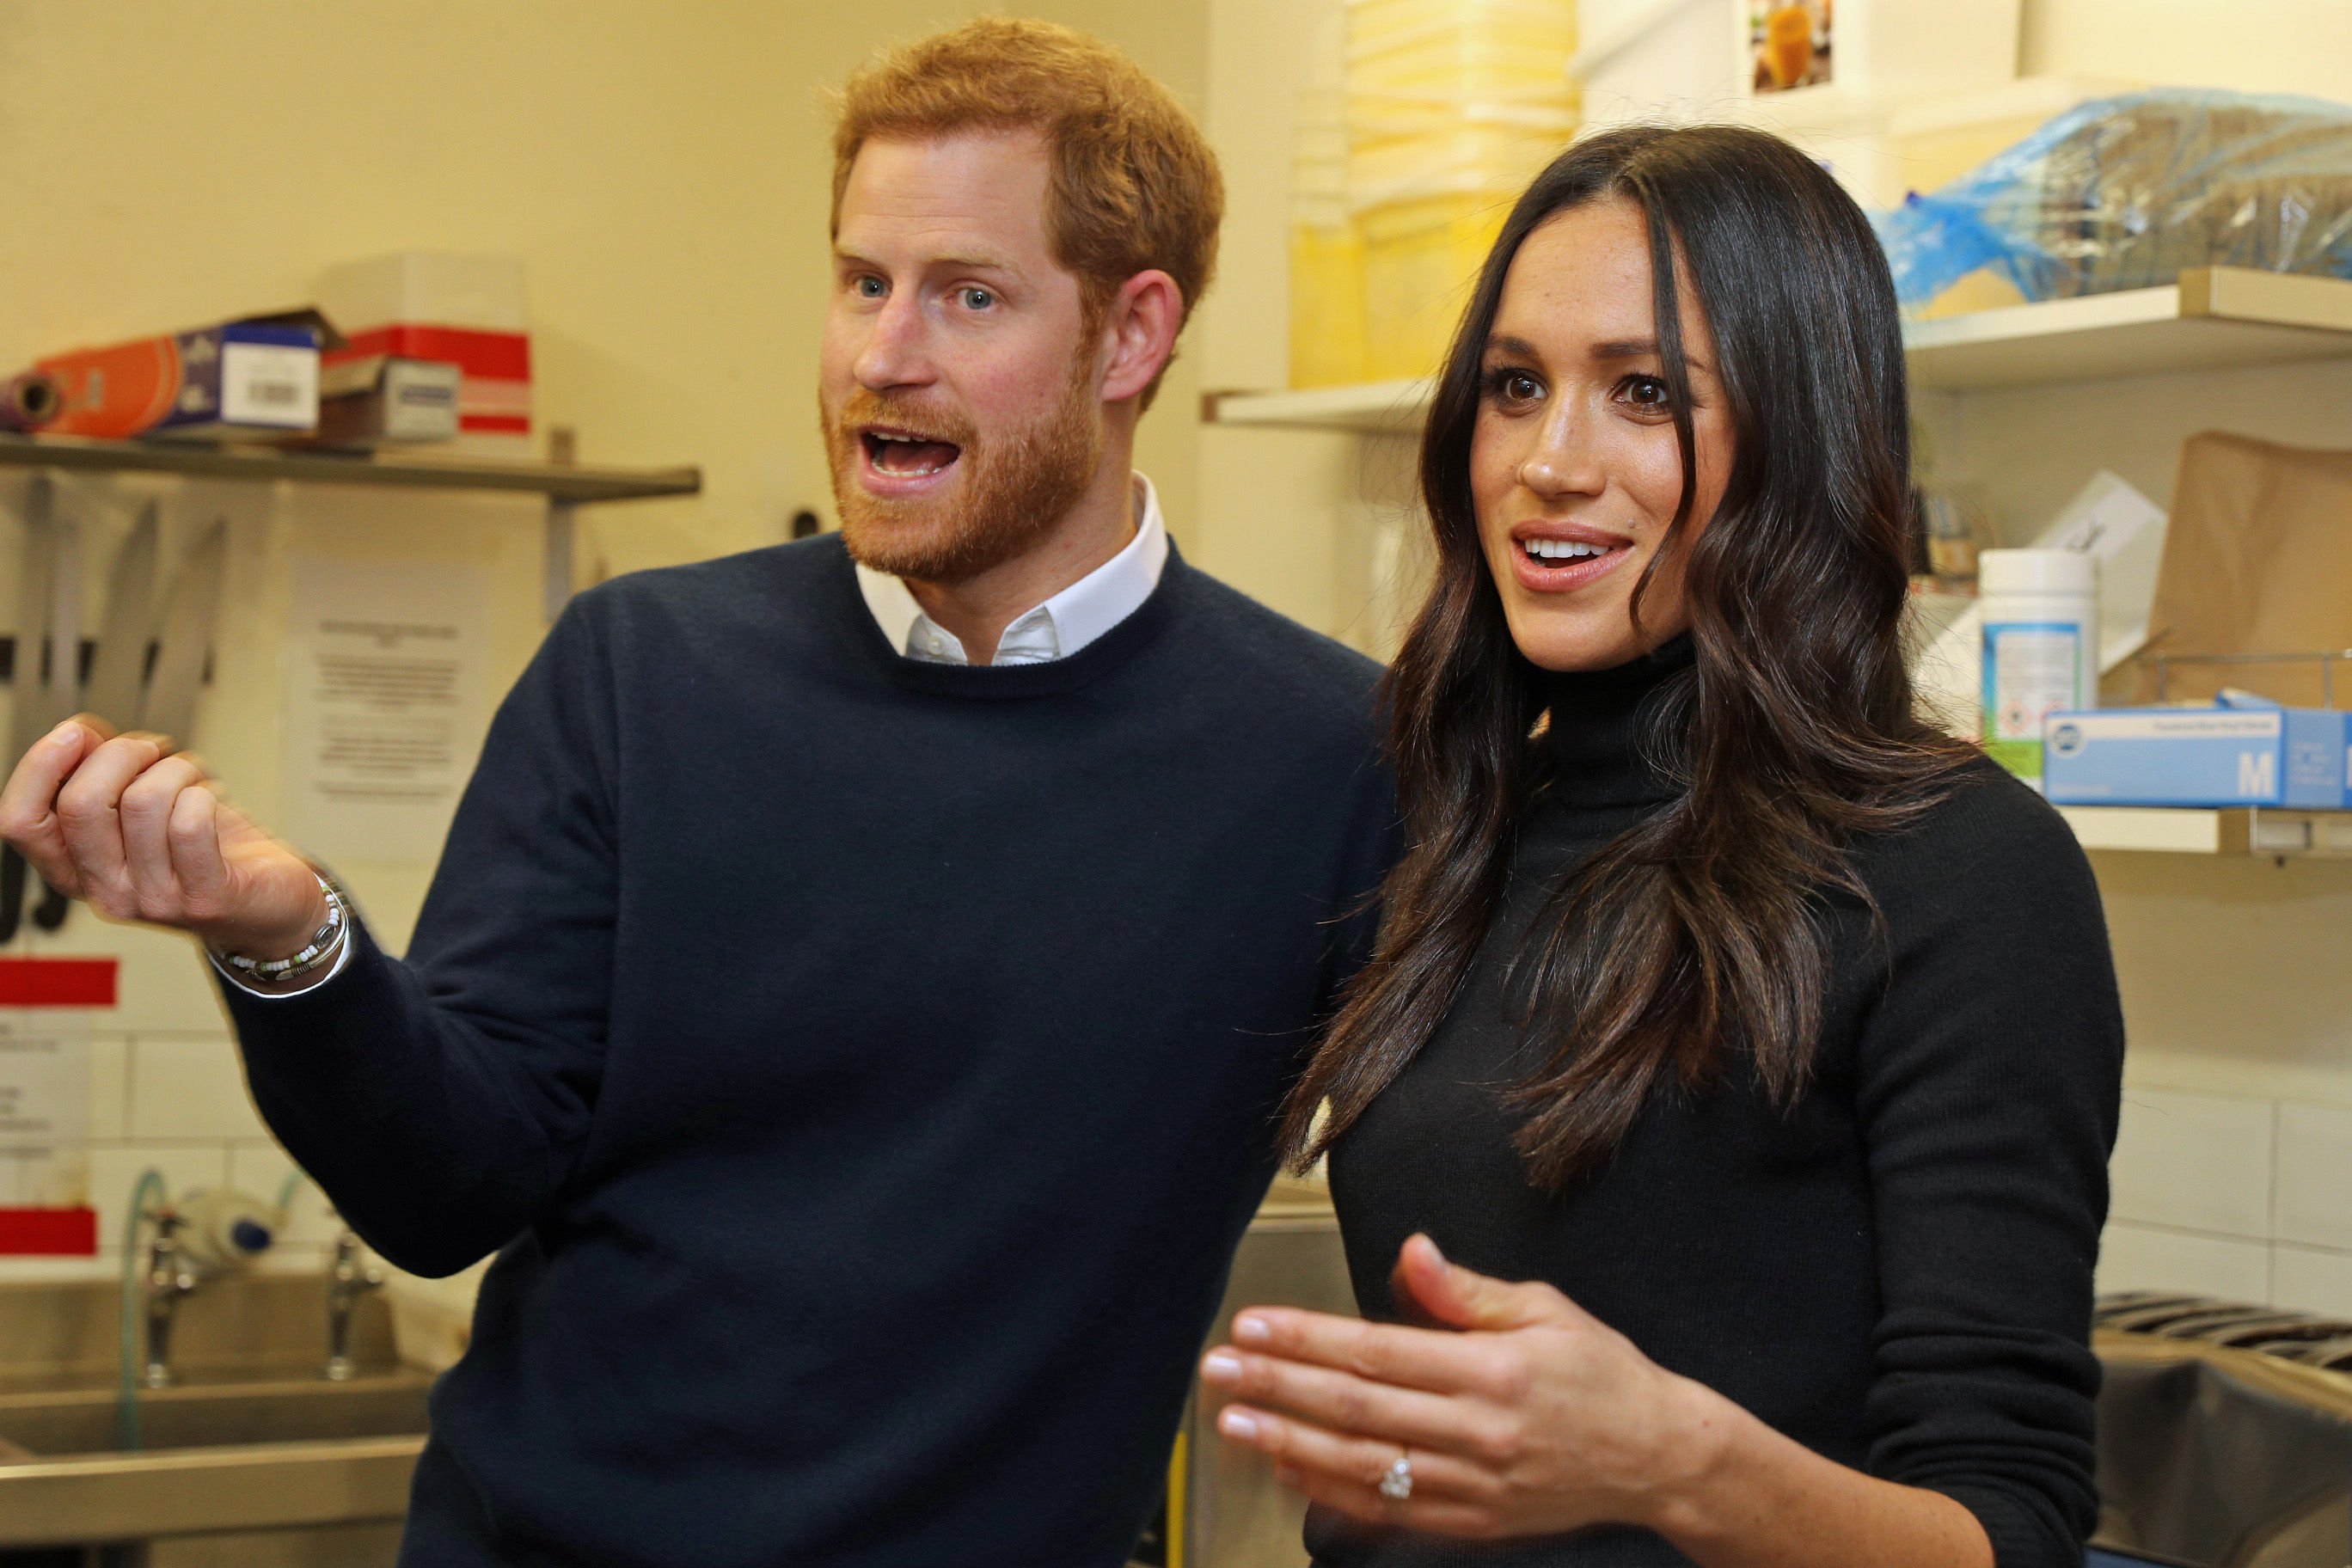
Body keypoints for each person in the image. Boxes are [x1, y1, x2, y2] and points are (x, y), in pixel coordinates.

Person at [0, 21, 1396, 1568]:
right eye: (863, 280)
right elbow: (446, 1183)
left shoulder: (1334, 758)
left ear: (1134, 336)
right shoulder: (640, 669)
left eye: (968, 295)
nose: (883, 354)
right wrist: (284, 933)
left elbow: (1457, 1248)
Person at [1194, 126, 2125, 1568]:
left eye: (1644, 395)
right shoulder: (1447, 833)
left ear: (1800, 437)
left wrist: (1671, 1464)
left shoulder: (1961, 871)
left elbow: (2007, 1528)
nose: (1551, 463)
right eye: (1516, 388)